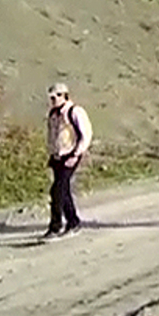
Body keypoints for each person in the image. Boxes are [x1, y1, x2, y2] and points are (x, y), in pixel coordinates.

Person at [44, 83, 92, 238]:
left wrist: (76, 154)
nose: (54, 100)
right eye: (52, 97)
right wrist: (52, 154)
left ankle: (55, 227)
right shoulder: (53, 114)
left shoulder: (75, 111)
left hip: (71, 154)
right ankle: (73, 222)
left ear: (65, 95)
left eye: (57, 96)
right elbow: (52, 136)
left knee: (57, 190)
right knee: (62, 190)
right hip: (57, 156)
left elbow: (86, 134)